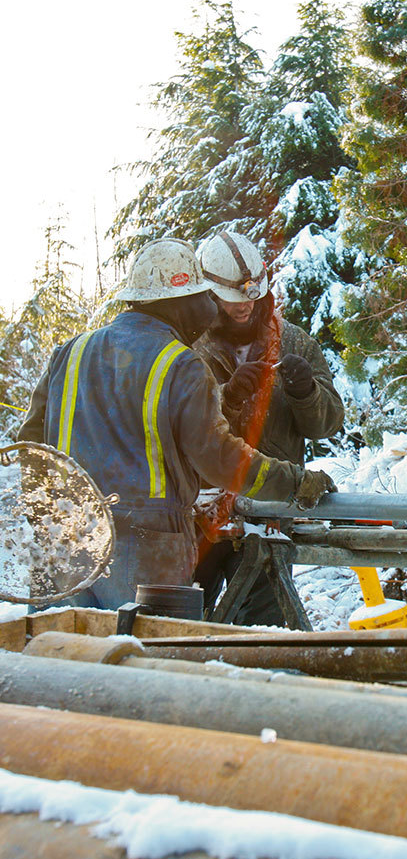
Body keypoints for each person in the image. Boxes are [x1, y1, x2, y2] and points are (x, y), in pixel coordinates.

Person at [17, 238, 336, 610]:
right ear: (182, 304)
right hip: (149, 541)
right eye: (203, 297)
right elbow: (217, 457)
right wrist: (294, 482)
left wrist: (50, 517)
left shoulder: (68, 352)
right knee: (153, 657)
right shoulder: (181, 363)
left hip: (65, 537)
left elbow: (32, 451)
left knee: (60, 649)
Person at [192, 230, 345, 624]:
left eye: (251, 297)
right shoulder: (189, 350)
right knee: (183, 626)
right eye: (232, 300)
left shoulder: (292, 342)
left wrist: (305, 391)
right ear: (208, 295)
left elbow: (328, 423)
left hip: (269, 514)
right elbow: (180, 428)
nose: (244, 307)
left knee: (265, 629)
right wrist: (227, 396)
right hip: (198, 518)